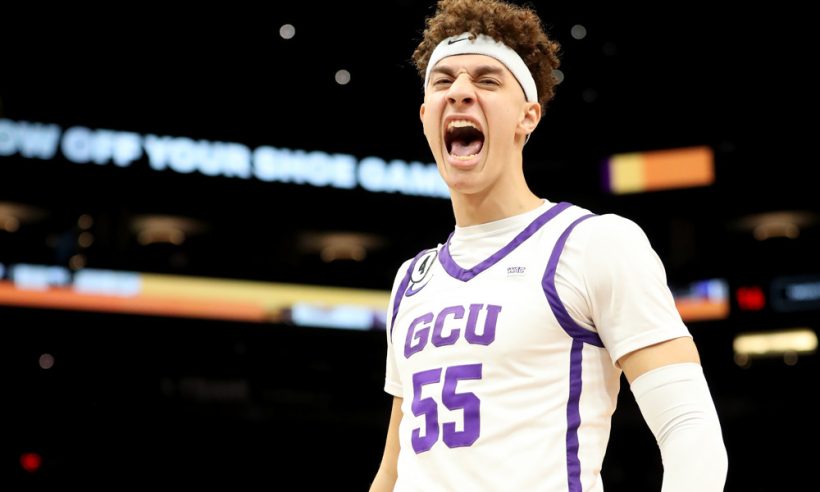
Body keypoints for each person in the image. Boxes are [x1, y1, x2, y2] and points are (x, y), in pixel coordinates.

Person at [370, 0, 728, 490]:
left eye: (487, 80)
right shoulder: (410, 280)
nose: (460, 93)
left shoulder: (593, 243)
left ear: (528, 116)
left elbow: (689, 428)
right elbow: (393, 471)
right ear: (425, 113)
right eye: (443, 81)